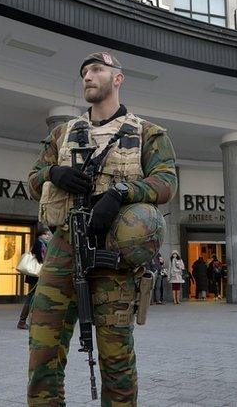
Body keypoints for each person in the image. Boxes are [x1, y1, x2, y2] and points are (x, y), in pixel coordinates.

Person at [26, 51, 178, 405]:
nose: (88, 77)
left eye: (97, 70)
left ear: (118, 78)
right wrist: (54, 173)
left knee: (116, 360)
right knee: (42, 353)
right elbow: (33, 180)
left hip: (113, 256)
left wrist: (121, 192)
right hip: (64, 248)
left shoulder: (149, 134)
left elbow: (166, 183)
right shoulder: (63, 133)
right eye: (84, 73)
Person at [17, 225, 51, 329]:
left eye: (48, 234)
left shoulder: (41, 243)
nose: (48, 236)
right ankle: (22, 321)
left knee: (35, 297)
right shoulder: (39, 243)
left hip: (35, 275)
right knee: (31, 297)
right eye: (46, 234)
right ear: (41, 235)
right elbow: (41, 259)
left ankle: (32, 320)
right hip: (35, 275)